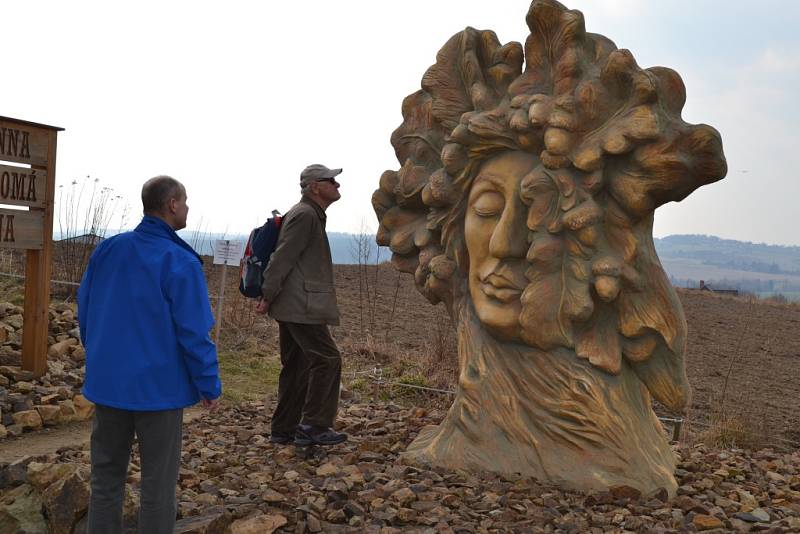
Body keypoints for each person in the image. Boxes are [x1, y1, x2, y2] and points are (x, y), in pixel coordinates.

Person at [78, 175, 221, 534]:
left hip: (109, 385)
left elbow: (86, 309)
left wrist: (98, 358)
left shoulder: (108, 250)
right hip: (160, 392)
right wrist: (209, 385)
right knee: (157, 485)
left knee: (105, 480)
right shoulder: (180, 262)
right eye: (185, 201)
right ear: (172, 204)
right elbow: (194, 333)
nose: (187, 208)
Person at [255, 163, 347, 446]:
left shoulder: (308, 214)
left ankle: (284, 429)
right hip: (300, 305)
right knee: (327, 359)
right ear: (315, 187)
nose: (337, 185)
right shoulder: (306, 215)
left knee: (297, 364)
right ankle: (314, 425)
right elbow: (282, 258)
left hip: (294, 303)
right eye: (331, 181)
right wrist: (267, 295)